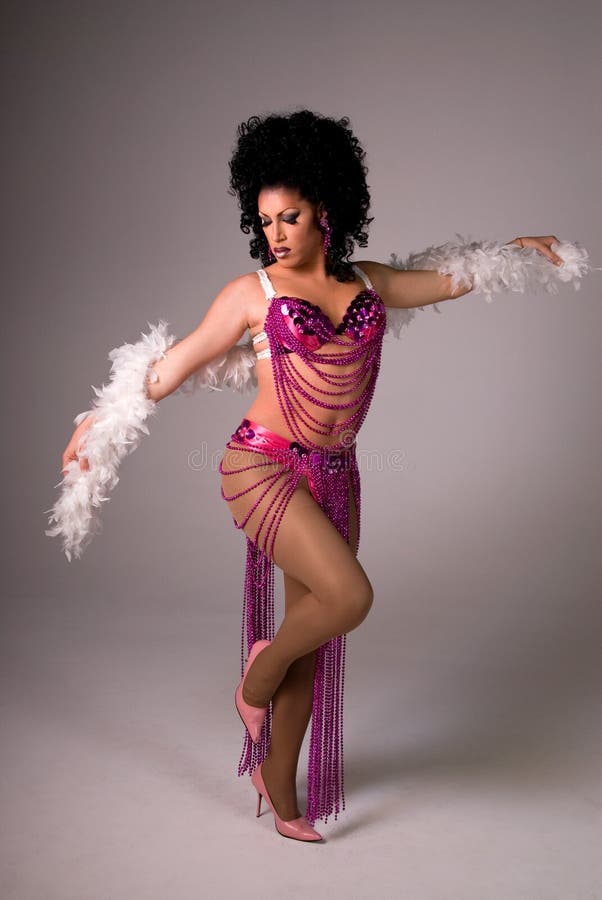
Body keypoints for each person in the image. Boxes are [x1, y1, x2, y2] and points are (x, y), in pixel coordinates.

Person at [48, 109, 593, 843]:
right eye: (265, 218)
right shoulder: (252, 294)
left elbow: (453, 278)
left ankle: (280, 795)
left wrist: (519, 252)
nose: (274, 232)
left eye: (290, 216)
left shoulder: (367, 282)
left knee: (315, 639)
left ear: (327, 209)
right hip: (262, 466)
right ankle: (254, 680)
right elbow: (171, 365)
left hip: (336, 476)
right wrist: (100, 417)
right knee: (348, 597)